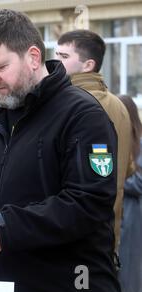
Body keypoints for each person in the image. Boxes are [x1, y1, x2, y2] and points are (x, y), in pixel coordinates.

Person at [0, 9, 121, 292]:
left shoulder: (82, 115)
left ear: (34, 57)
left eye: (0, 66)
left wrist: (5, 227)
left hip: (71, 288)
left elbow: (89, 203)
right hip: (3, 289)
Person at [56, 30, 134, 252]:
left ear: (88, 65)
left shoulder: (69, 103)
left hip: (72, 238)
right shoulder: (118, 105)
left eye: (63, 56)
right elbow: (126, 168)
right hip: (107, 234)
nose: (55, 61)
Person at [117, 95, 142, 292]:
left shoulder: (140, 144)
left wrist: (115, 182)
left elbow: (139, 182)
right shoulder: (116, 139)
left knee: (129, 275)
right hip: (118, 212)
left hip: (133, 215)